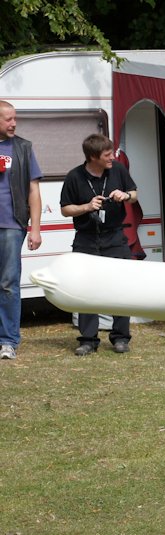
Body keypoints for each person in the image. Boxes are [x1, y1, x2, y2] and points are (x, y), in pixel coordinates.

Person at [60, 134, 138, 355]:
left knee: (120, 289)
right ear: (93, 157)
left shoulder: (118, 170)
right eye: (107, 155)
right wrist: (86, 206)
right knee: (86, 290)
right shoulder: (74, 177)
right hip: (86, 239)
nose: (112, 157)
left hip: (114, 238)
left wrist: (126, 195)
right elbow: (66, 209)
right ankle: (88, 340)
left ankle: (121, 338)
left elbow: (134, 194)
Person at [0, 100, 43, 360]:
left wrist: (35, 229)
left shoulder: (23, 148)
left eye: (15, 118)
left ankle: (8, 341)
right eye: (8, 119)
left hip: (11, 226)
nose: (14, 123)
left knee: (8, 284)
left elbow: (33, 191)